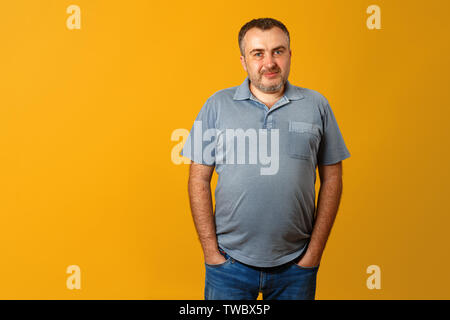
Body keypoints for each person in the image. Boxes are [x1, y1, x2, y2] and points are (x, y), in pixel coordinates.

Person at [180, 17, 351, 300]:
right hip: (229, 266)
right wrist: (211, 253)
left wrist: (313, 254)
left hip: (296, 266)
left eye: (278, 51)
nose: (269, 62)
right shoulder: (216, 105)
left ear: (289, 55)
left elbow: (333, 177)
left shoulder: (317, 105)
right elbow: (198, 177)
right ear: (244, 61)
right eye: (258, 53)